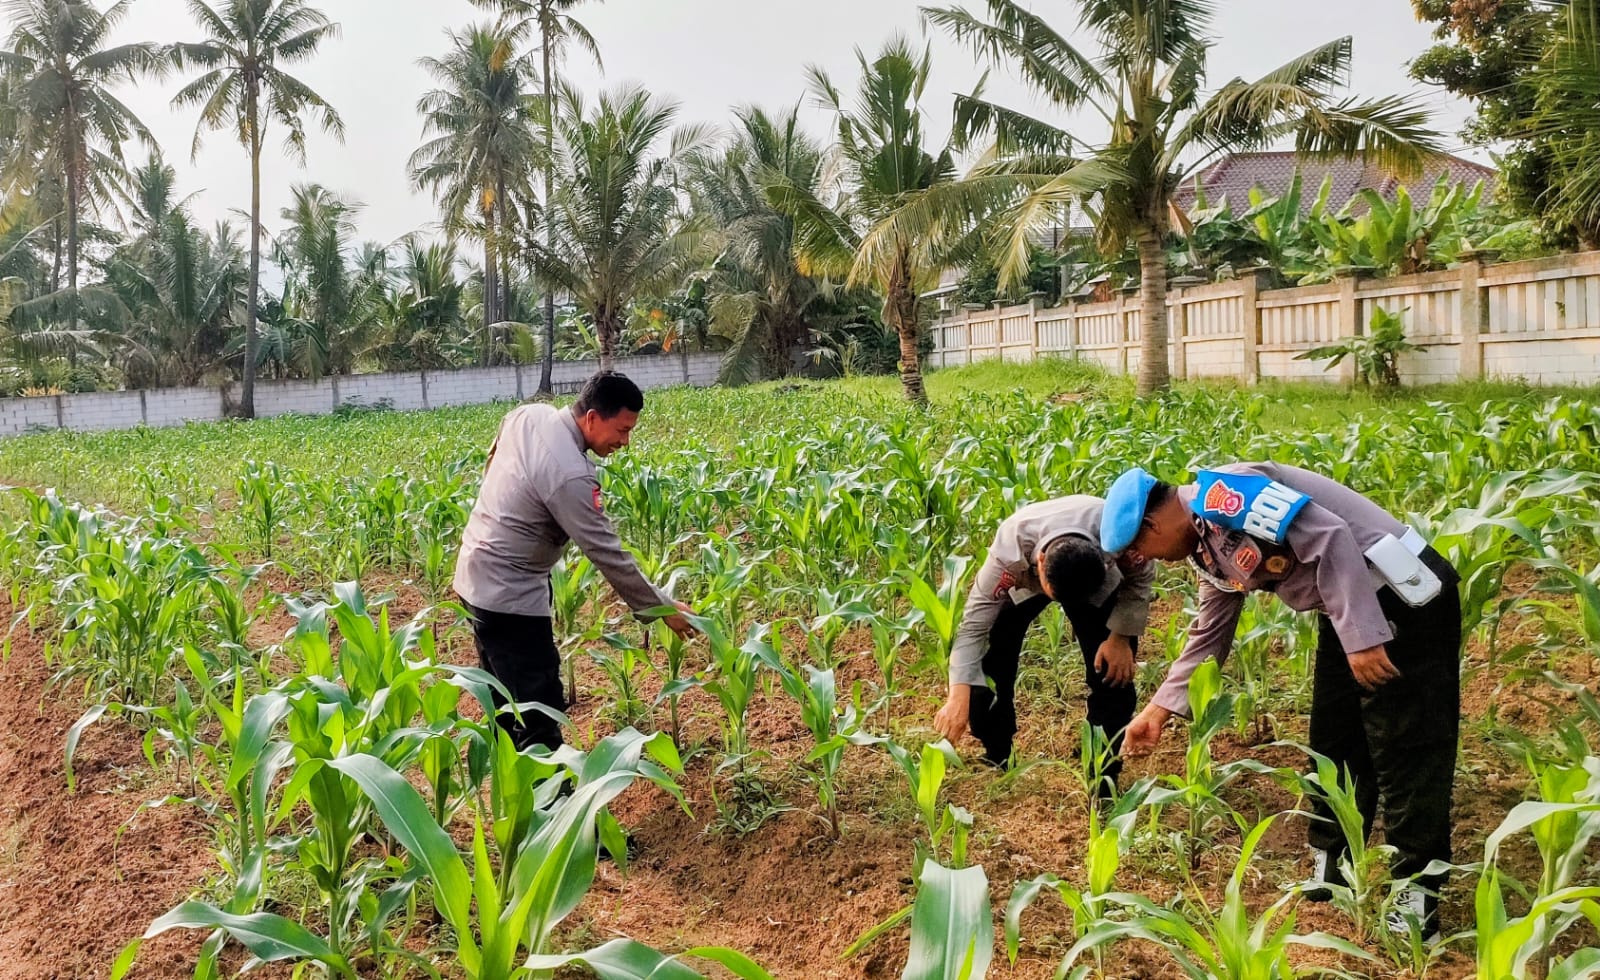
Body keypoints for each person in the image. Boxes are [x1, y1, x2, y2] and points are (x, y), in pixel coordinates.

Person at [1099, 462, 1461, 939]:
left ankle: (1416, 898)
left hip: (1401, 596)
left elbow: (1330, 536)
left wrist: (1363, 637)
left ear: (1151, 525)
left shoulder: (1225, 494)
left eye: (1140, 549)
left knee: (1406, 748)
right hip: (1345, 607)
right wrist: (1157, 710)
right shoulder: (1206, 545)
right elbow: (1210, 632)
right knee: (1334, 740)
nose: (1150, 560)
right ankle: (1332, 865)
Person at [453, 371, 693, 752]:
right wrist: (662, 607)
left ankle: (508, 784)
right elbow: (606, 552)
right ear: (593, 418)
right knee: (539, 715)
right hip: (510, 597)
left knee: (504, 705)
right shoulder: (570, 474)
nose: (625, 442)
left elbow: (494, 455)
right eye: (623, 430)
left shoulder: (529, 414)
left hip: (473, 578)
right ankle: (550, 790)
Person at [931, 495, 1154, 791]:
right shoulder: (1009, 554)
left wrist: (1120, 637)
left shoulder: (1119, 536)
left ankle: (1103, 776)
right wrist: (958, 693)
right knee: (991, 659)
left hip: (1095, 581)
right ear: (1040, 563)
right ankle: (997, 753)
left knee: (1113, 675)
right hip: (1024, 579)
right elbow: (973, 628)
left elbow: (1141, 576)